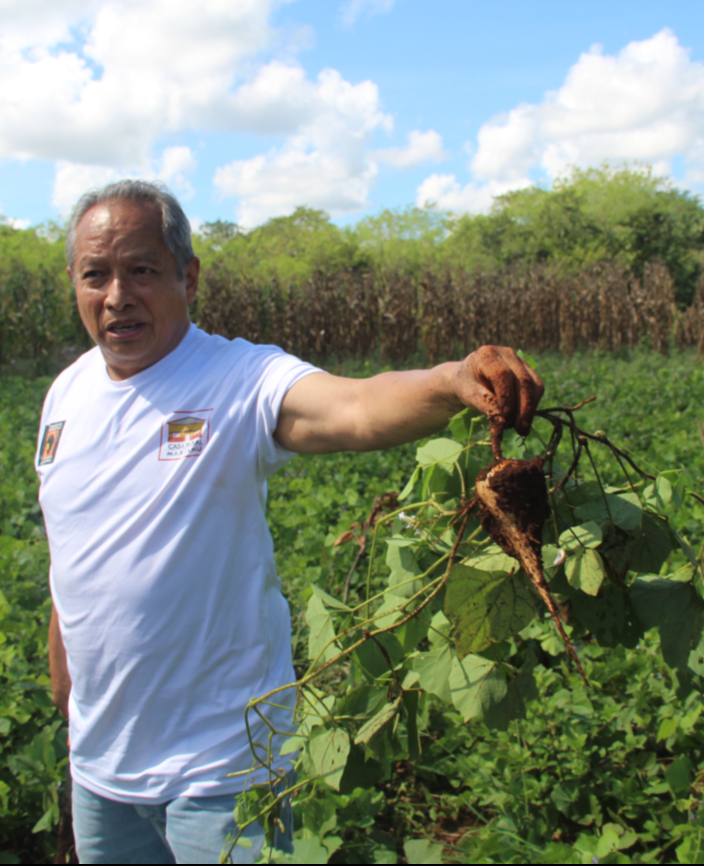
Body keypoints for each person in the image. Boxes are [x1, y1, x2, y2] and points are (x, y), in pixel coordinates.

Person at [38, 180, 543, 864]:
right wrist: (65, 681)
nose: (117, 295)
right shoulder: (66, 395)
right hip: (101, 767)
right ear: (73, 281)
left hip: (220, 764)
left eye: (142, 271)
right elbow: (70, 551)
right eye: (95, 275)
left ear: (187, 277)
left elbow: (356, 407)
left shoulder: (237, 378)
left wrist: (450, 379)